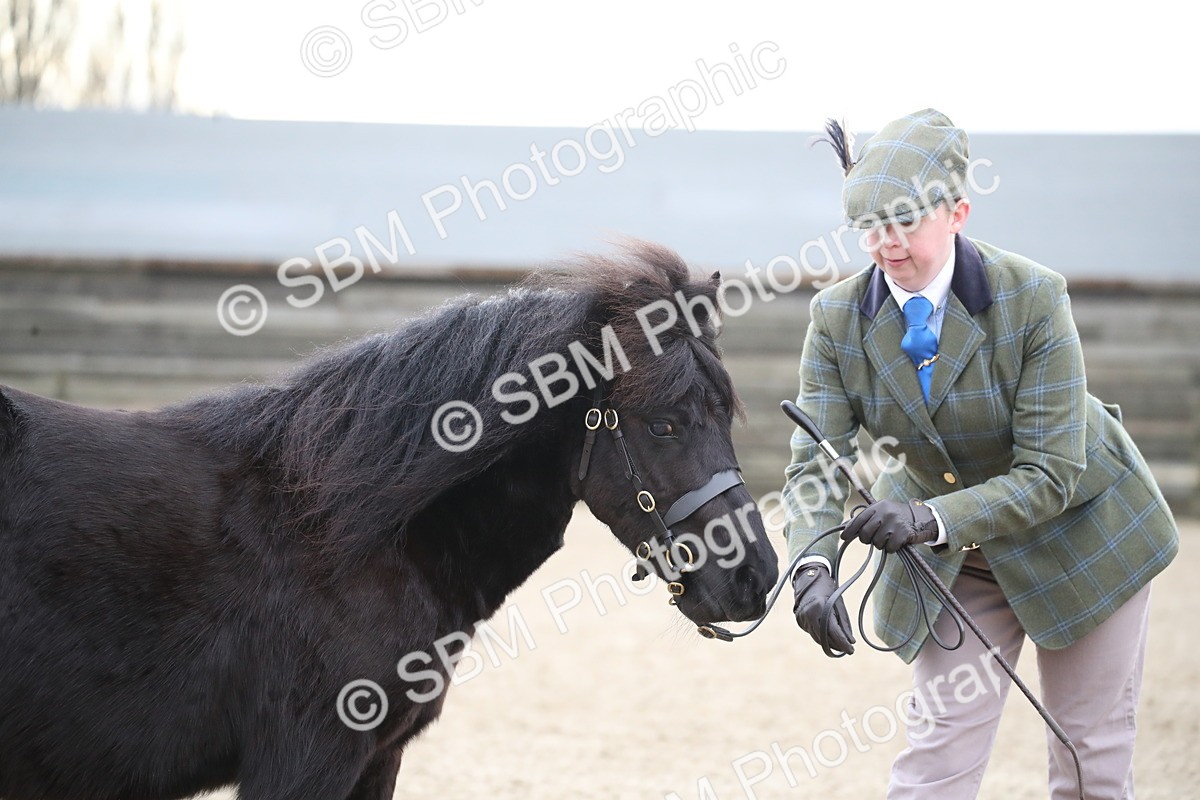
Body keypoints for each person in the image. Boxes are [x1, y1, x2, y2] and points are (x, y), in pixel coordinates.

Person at [782, 108, 1179, 799]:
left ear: (957, 210)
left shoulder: (1035, 299)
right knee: (935, 760)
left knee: (1089, 757)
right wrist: (811, 562)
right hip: (958, 561)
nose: (885, 244)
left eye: (905, 223)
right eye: (869, 227)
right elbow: (815, 459)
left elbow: (1051, 474)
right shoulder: (836, 318)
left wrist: (927, 518)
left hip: (1081, 538)